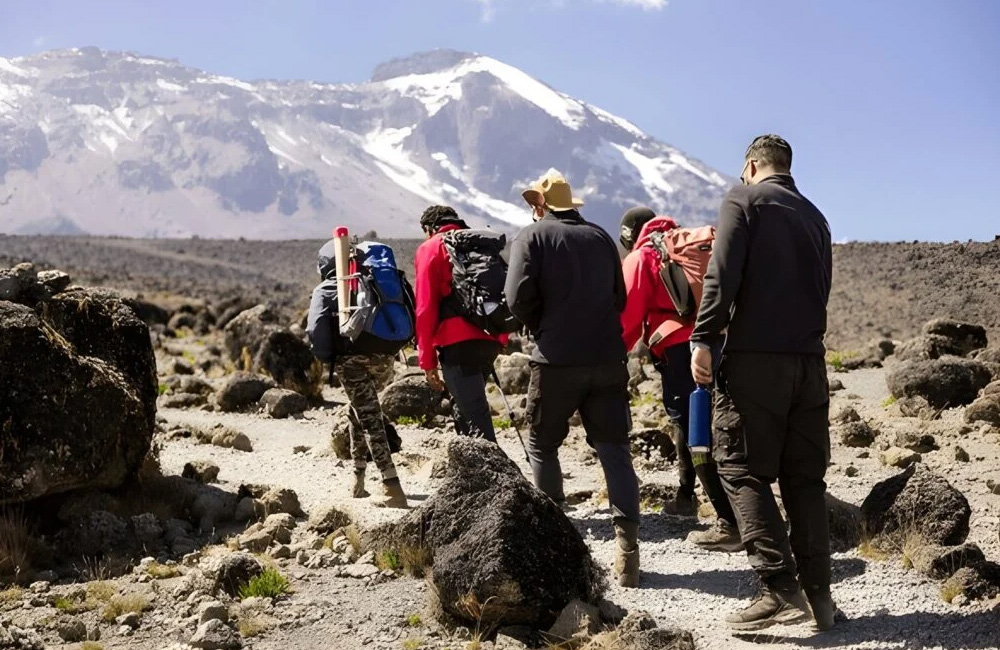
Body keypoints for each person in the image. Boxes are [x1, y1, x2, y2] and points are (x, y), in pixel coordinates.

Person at [690, 135, 835, 631]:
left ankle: (778, 589)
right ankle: (822, 599)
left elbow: (721, 273)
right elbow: (823, 289)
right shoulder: (816, 217)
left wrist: (703, 337)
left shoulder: (744, 200)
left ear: (751, 166)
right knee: (804, 480)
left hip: (756, 362)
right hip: (810, 364)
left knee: (739, 468)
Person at [505, 170, 642, 587]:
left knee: (543, 445)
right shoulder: (601, 238)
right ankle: (628, 552)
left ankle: (555, 543)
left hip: (556, 359)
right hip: (607, 359)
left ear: (541, 204)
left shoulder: (533, 237)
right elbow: (620, 298)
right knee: (614, 449)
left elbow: (516, 297)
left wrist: (541, 324)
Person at [618, 207, 742, 552]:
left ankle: (727, 521)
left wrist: (615, 354)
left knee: (693, 427)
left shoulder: (644, 257)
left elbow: (628, 316)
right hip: (723, 340)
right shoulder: (696, 247)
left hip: (679, 350)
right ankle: (705, 498)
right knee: (725, 422)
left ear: (629, 235)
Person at [306, 239, 408, 509]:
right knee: (358, 411)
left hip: (352, 363)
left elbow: (315, 331)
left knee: (371, 418)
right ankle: (358, 479)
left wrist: (329, 359)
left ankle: (391, 486)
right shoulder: (372, 282)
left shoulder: (328, 288)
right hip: (386, 359)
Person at [414, 205, 507, 443]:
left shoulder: (431, 247)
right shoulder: (478, 245)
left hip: (456, 344)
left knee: (474, 416)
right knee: (466, 408)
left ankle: (493, 476)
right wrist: (501, 337)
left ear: (428, 229)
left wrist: (427, 361)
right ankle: (469, 472)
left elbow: (425, 308)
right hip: (490, 339)